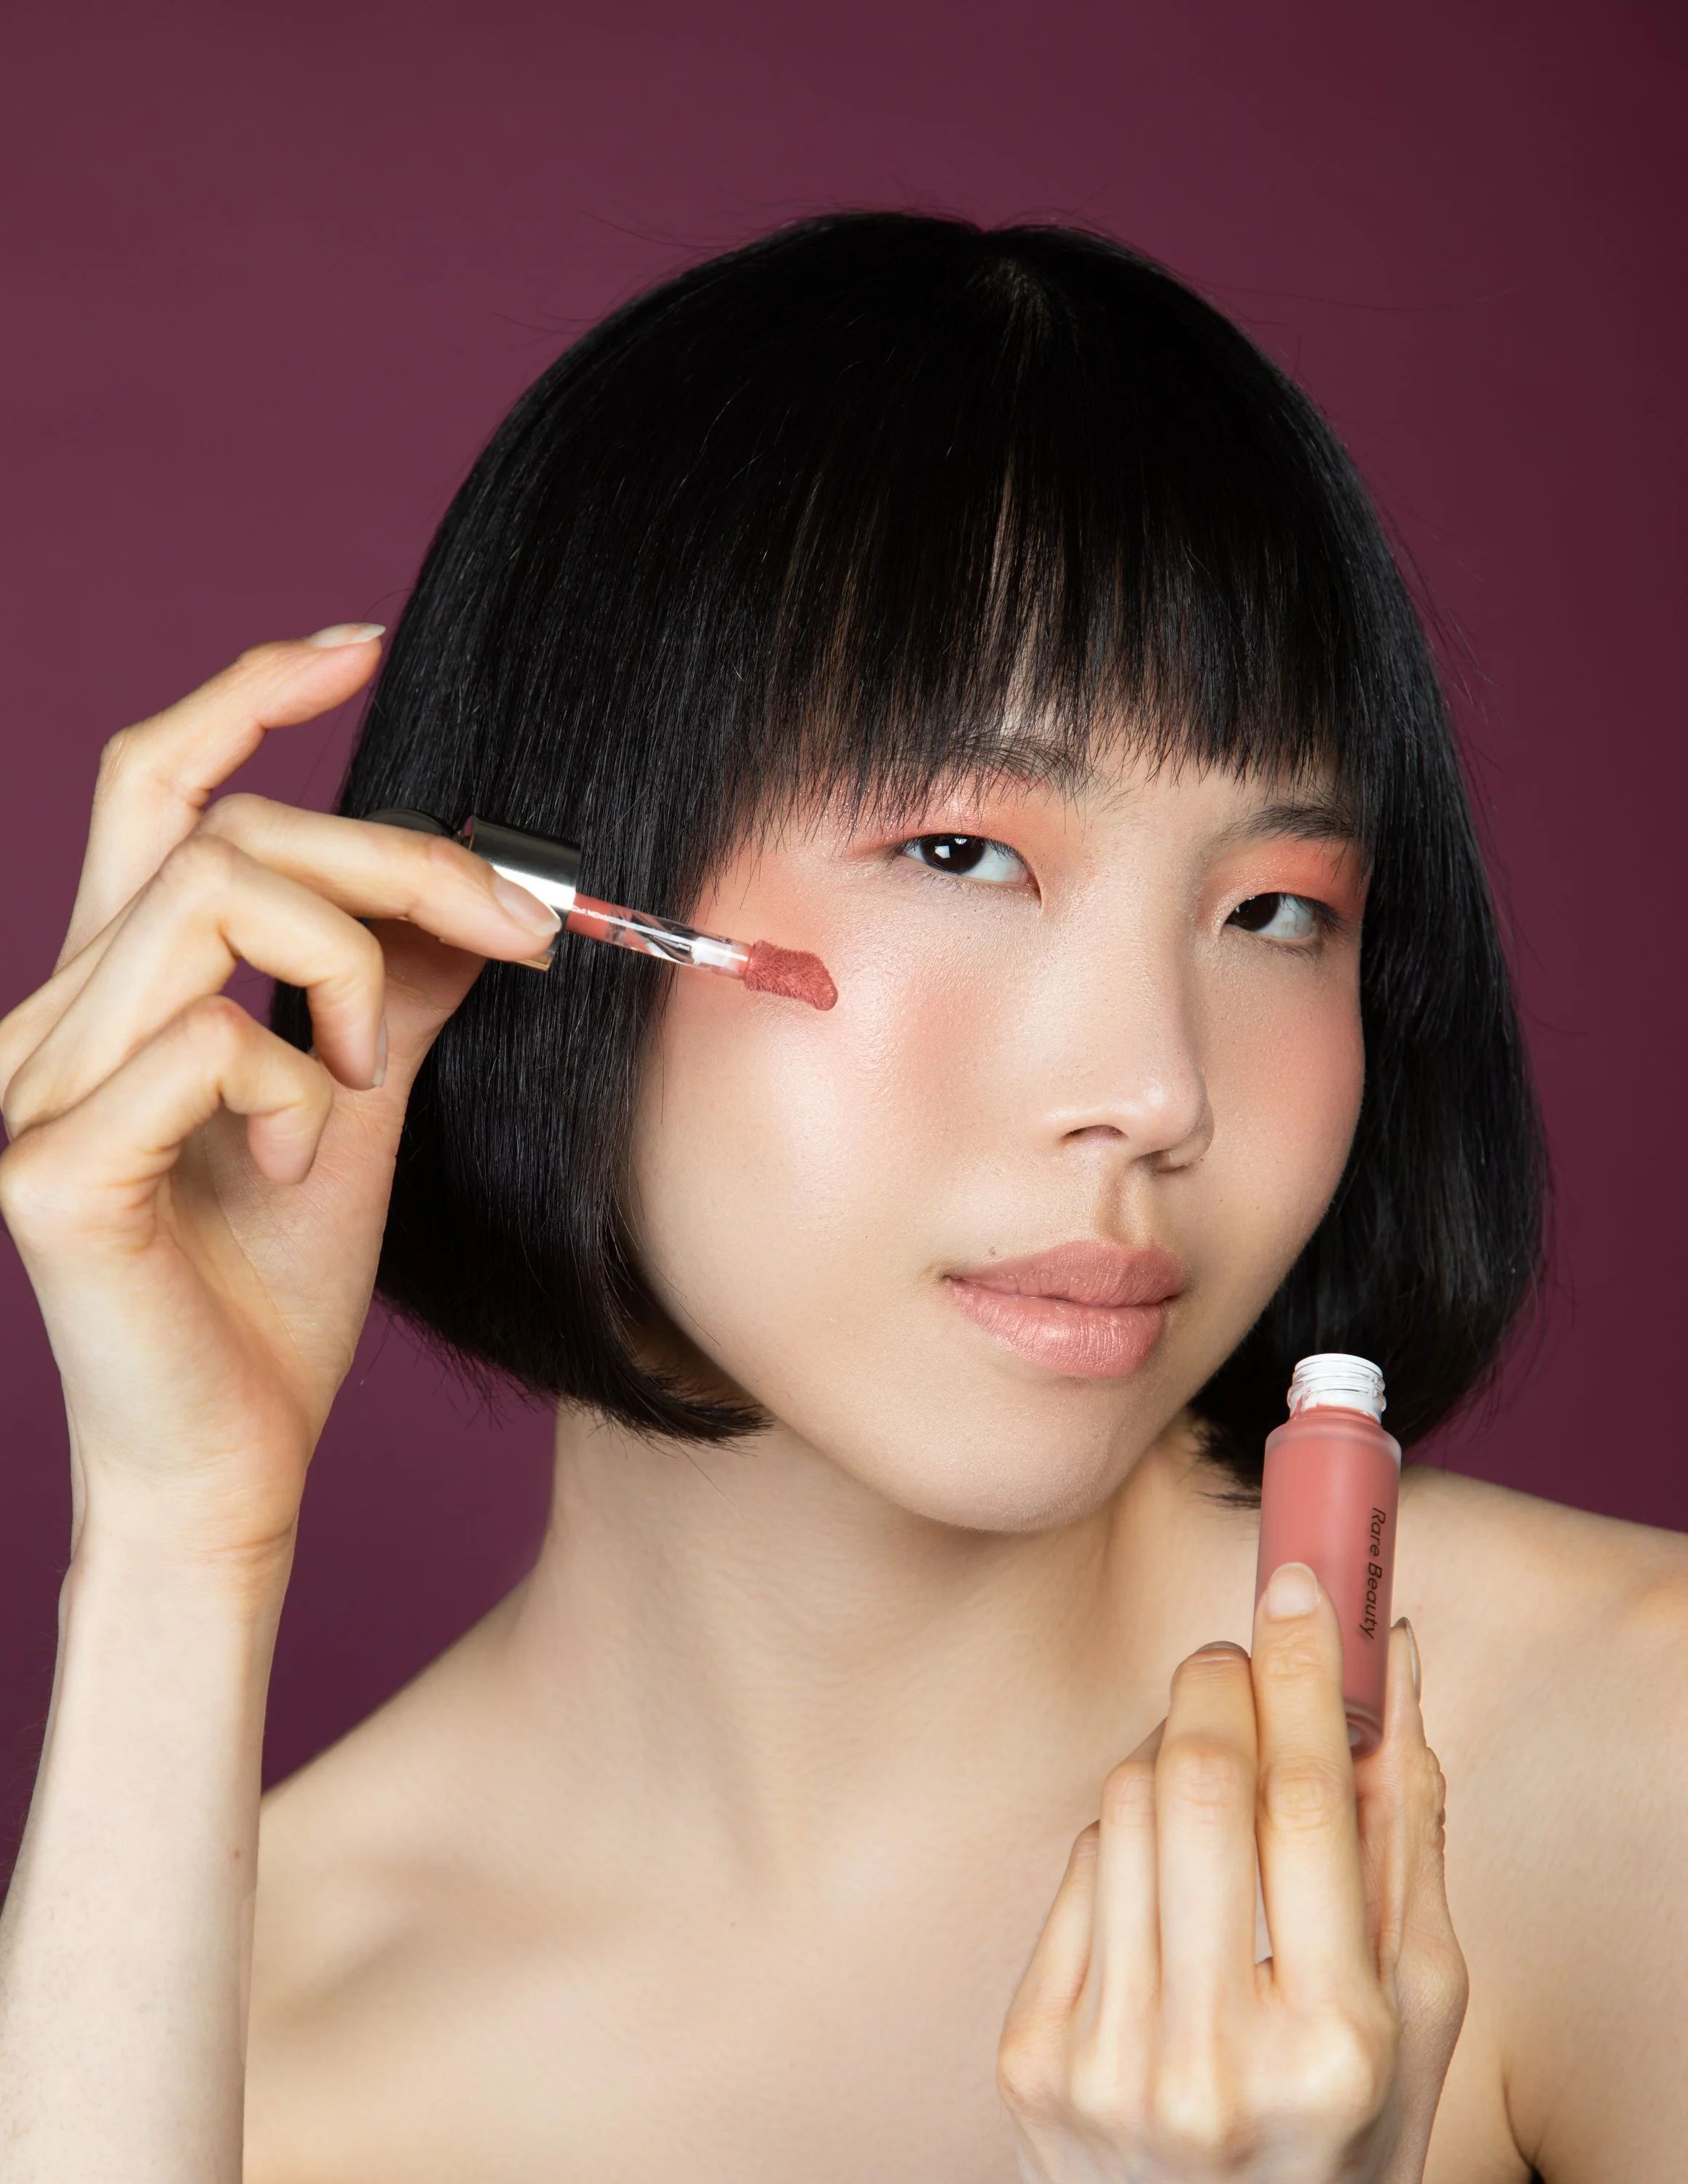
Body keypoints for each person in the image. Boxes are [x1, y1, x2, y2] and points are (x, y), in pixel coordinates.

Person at [0, 212, 1682, 2183]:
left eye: (1273, 910)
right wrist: (184, 1544)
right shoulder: (189, 2038)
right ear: (530, 911)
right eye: (961, 851)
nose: (1152, 1091)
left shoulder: (1618, 1774)